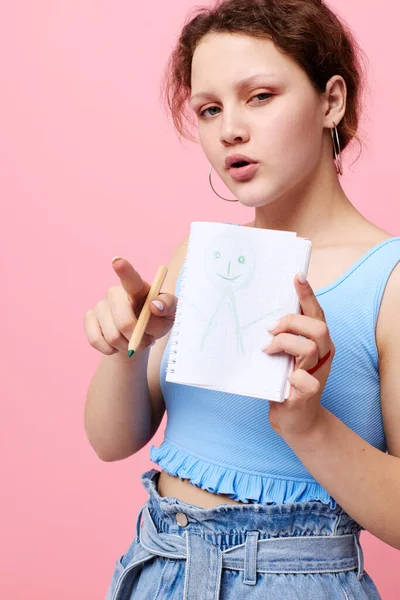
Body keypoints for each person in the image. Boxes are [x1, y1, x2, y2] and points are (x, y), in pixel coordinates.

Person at [83, 0, 400, 598]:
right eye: (209, 109)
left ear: (331, 101)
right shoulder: (198, 256)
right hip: (156, 565)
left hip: (295, 578)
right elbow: (110, 441)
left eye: (260, 96)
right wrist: (125, 348)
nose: (229, 128)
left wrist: (307, 426)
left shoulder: (389, 281)